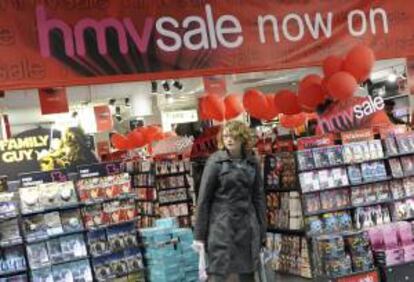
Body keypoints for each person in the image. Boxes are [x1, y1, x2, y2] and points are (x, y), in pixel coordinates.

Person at [193, 121, 267, 282]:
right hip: (222, 226)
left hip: (247, 226)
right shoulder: (215, 162)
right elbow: (203, 199)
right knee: (220, 272)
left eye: (234, 136)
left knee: (248, 273)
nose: (229, 139)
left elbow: (258, 197)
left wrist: (262, 230)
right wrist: (199, 235)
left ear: (243, 138)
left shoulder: (252, 162)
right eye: (226, 136)